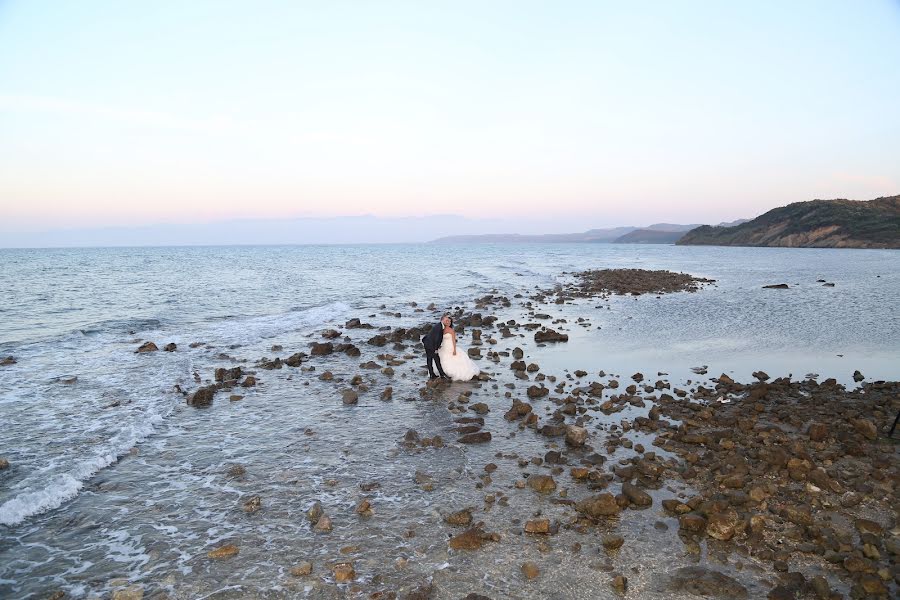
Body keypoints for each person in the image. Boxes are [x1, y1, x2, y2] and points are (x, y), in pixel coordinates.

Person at [436, 317, 480, 382]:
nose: (448, 323)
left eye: (450, 322)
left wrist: (454, 350)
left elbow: (453, 341)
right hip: (444, 347)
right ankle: (442, 373)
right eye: (447, 321)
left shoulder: (451, 330)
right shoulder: (441, 330)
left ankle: (451, 373)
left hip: (450, 346)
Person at [422, 315, 450, 380]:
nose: (447, 322)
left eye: (448, 321)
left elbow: (434, 336)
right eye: (446, 320)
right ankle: (442, 374)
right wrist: (436, 349)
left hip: (427, 342)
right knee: (436, 359)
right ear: (442, 320)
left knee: (429, 359)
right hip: (430, 345)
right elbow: (437, 338)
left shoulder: (439, 325)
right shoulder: (439, 327)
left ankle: (432, 374)